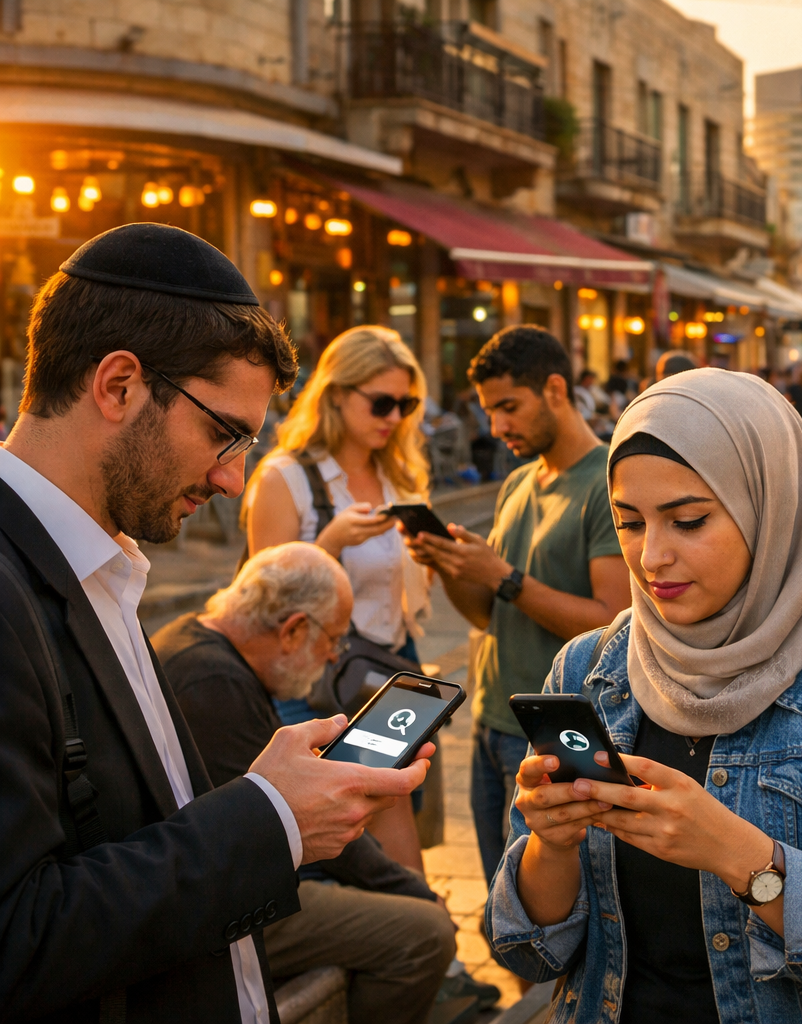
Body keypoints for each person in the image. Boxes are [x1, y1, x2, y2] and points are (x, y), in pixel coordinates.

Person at [0, 223, 431, 1020]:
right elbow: (17, 939)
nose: (235, 479)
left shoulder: (103, 562)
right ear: (120, 386)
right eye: (223, 433)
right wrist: (267, 815)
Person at [485, 367, 802, 1022]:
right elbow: (527, 956)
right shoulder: (586, 672)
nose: (652, 557)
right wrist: (551, 845)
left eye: (687, 521)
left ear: (769, 508)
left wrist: (740, 857)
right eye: (629, 522)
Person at [152, 543, 467, 1024]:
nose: (332, 656)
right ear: (295, 628)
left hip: (220, 873)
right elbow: (288, 823)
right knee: (426, 933)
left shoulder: (193, 638)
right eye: (333, 640)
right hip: (221, 904)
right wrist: (416, 893)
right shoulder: (214, 682)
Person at [404, 326, 629, 888]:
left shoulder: (606, 484)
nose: (496, 427)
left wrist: (503, 576)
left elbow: (612, 622)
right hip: (491, 718)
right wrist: (451, 566)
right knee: (502, 900)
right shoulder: (519, 482)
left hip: (558, 734)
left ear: (556, 389)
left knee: (551, 907)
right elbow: (490, 614)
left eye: (508, 407)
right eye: (489, 411)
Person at [243, 324, 433, 871]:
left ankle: (412, 937)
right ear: (336, 394)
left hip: (394, 668)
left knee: (396, 813)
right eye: (381, 402)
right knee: (333, 838)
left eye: (406, 403)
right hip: (315, 685)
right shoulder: (287, 478)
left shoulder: (398, 475)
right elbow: (267, 608)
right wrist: (327, 545)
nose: (394, 417)